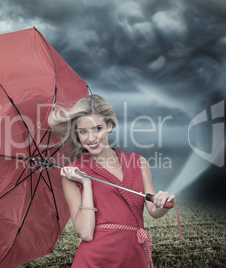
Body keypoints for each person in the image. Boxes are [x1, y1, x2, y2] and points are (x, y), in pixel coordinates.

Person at [48, 94, 175, 268]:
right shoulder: (73, 173)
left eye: (97, 128)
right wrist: (86, 183)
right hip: (94, 260)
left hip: (133, 256)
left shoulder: (138, 162)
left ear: (110, 125)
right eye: (83, 131)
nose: (91, 138)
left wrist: (163, 202)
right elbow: (86, 233)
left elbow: (153, 210)